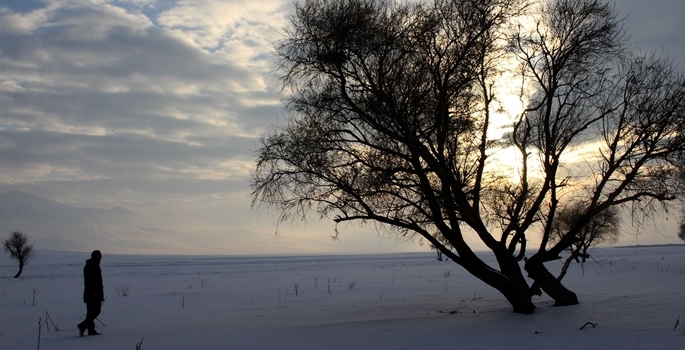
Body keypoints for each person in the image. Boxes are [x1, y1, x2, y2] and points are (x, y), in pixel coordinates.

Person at [77, 250, 104, 336]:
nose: (101, 257)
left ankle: (91, 330)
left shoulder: (92, 265)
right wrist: (94, 292)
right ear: (96, 256)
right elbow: (91, 281)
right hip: (92, 293)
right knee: (95, 311)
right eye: (100, 256)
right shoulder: (92, 266)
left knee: (91, 312)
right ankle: (82, 326)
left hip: (91, 292)